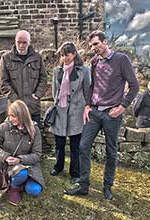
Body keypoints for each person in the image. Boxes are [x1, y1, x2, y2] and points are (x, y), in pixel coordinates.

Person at [64, 30, 139, 200]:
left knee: (111, 152)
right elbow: (92, 86)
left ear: (105, 42)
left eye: (96, 44)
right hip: (95, 112)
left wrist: (122, 107)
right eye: (91, 45)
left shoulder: (121, 59)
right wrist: (88, 105)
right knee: (83, 147)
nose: (93, 48)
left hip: (112, 114)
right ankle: (84, 186)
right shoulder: (94, 62)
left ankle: (107, 187)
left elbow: (134, 85)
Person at [0, 100, 45, 206]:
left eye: (14, 116)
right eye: (9, 116)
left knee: (34, 190)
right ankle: (13, 188)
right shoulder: (4, 127)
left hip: (30, 165)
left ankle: (22, 182)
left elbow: (37, 154)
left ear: (22, 115)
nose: (11, 119)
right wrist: (5, 157)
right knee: (21, 173)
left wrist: (20, 159)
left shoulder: (34, 129)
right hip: (11, 166)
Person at [49, 42, 90, 184]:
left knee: (75, 145)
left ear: (74, 54)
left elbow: (87, 91)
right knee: (59, 143)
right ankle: (58, 167)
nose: (64, 58)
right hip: (60, 111)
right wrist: (57, 104)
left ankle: (75, 173)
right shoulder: (57, 71)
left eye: (67, 54)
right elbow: (55, 91)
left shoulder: (83, 71)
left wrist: (87, 107)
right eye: (62, 55)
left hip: (76, 112)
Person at [0, 30, 47, 126]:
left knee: (34, 136)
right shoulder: (6, 58)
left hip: (33, 107)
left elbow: (43, 78)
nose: (21, 45)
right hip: (15, 109)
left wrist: (37, 94)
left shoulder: (37, 58)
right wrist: (15, 100)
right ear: (15, 41)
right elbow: (3, 82)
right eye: (19, 42)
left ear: (29, 42)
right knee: (16, 139)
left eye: (24, 43)